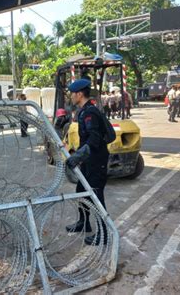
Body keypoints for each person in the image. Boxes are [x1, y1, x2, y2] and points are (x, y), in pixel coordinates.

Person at [65, 79, 109, 246]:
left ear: (79, 94)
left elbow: (95, 138)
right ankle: (84, 222)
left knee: (96, 197)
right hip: (89, 161)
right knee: (81, 191)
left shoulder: (90, 113)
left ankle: (104, 233)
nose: (71, 96)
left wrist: (78, 155)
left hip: (97, 161)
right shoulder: (84, 111)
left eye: (72, 93)